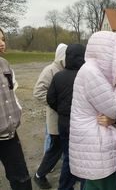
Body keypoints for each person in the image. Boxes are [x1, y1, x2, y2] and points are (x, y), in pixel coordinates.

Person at [69, 31, 116, 190]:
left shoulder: (92, 70)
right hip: (97, 144)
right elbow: (115, 109)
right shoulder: (92, 73)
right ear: (107, 52)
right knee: (102, 184)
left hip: (94, 144)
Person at [46, 44, 86, 190]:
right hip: (81, 123)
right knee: (83, 159)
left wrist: (62, 110)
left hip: (63, 122)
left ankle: (64, 187)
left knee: (68, 158)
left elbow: (51, 99)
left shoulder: (58, 76)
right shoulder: (87, 76)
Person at [0, 27, 32, 190]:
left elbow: (12, 93)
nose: (2, 43)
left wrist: (17, 112)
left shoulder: (5, 64)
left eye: (3, 39)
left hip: (9, 134)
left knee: (21, 179)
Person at [33, 43, 67, 189]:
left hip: (65, 118)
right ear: (61, 56)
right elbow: (38, 92)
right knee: (55, 149)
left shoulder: (65, 70)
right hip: (55, 118)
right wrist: (56, 103)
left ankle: (68, 175)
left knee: (63, 148)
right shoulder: (50, 70)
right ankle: (39, 175)